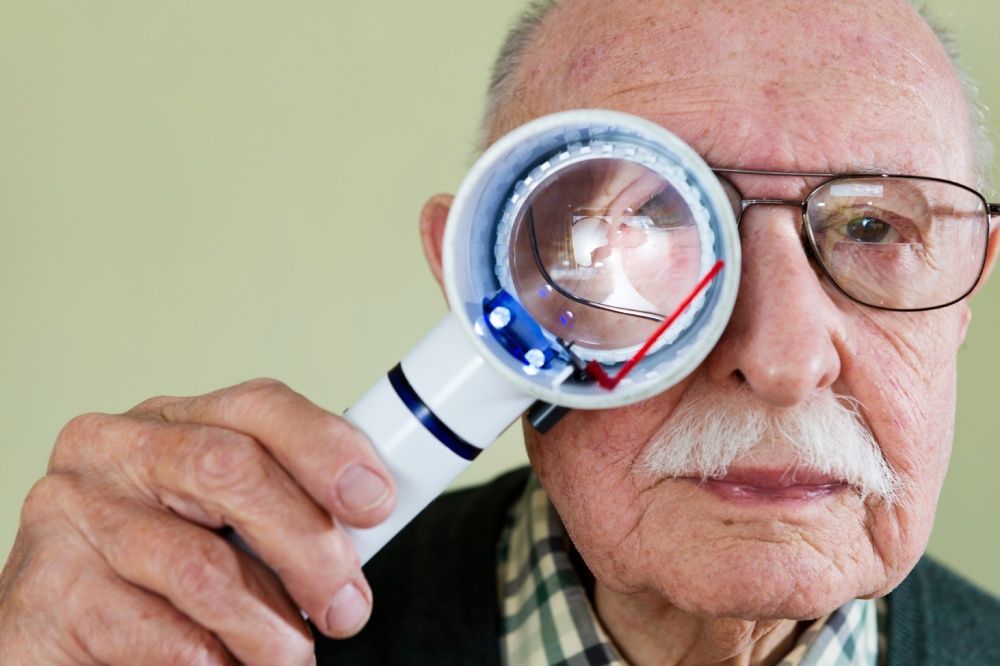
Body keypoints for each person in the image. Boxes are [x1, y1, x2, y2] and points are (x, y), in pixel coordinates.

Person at [2, 0, 999, 663]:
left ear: (967, 289)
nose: (783, 361)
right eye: (645, 220)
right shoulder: (228, 629)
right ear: (475, 269)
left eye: (875, 228)